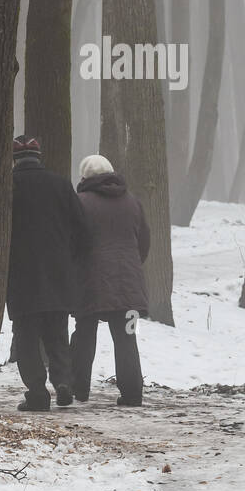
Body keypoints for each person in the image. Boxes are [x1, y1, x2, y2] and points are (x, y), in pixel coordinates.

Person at [7, 135, 89, 412]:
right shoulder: (61, 185)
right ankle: (63, 382)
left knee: (26, 337)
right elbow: (83, 230)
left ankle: (38, 393)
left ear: (14, 159)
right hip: (57, 274)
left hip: (20, 276)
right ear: (39, 156)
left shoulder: (8, 186)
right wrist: (69, 259)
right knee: (57, 333)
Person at [70, 154, 150, 407]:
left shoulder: (79, 202)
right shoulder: (132, 202)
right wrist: (132, 266)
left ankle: (78, 389)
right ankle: (133, 394)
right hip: (129, 283)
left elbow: (72, 242)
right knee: (127, 337)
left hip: (90, 282)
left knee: (84, 332)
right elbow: (144, 242)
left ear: (84, 177)